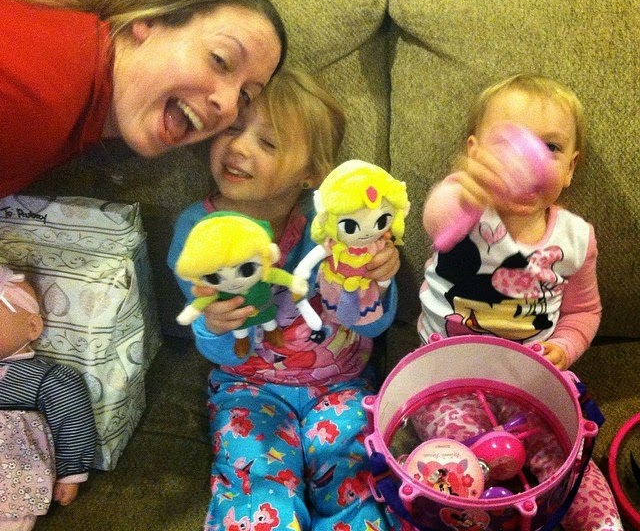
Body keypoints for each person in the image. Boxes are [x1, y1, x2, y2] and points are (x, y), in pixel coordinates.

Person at [167, 66, 404, 531]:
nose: (239, 147)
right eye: (231, 129)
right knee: (255, 490)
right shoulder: (198, 233)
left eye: (268, 142)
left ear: (311, 173)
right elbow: (218, 348)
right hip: (247, 388)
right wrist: (215, 324)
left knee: (357, 480)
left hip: (342, 384)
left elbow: (375, 325)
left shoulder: (337, 225)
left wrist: (377, 278)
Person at [415, 74, 622, 531]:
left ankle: (597, 521)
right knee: (453, 456)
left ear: (570, 167)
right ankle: (484, 507)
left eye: (551, 148)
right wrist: (469, 187)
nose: (528, 163)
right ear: (475, 155)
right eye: (508, 146)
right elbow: (438, 219)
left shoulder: (575, 238)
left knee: (566, 457)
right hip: (446, 379)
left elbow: (584, 312)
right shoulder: (464, 208)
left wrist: (563, 348)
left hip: (531, 380)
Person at [0, 0, 287, 197]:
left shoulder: (87, 87)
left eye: (245, 95)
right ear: (147, 20)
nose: (228, 106)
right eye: (220, 60)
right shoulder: (35, 98)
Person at [0, 265, 97, 530]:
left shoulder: (47, 379)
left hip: (12, 475)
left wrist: (71, 474)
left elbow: (73, 425)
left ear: (32, 326)